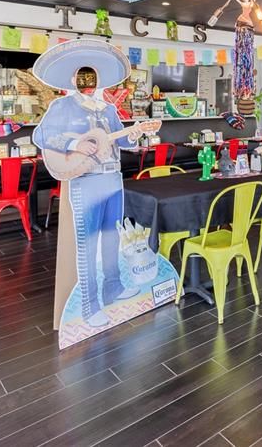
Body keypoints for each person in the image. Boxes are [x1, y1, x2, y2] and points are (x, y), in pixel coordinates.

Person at [32, 39, 159, 328]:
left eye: (92, 77)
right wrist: (75, 142)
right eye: (83, 77)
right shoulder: (62, 106)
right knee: (87, 243)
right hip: (85, 179)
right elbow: (42, 136)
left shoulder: (108, 110)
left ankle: (113, 287)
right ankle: (89, 306)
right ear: (74, 80)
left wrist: (138, 132)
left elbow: (123, 140)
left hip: (113, 178)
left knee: (112, 237)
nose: (88, 82)